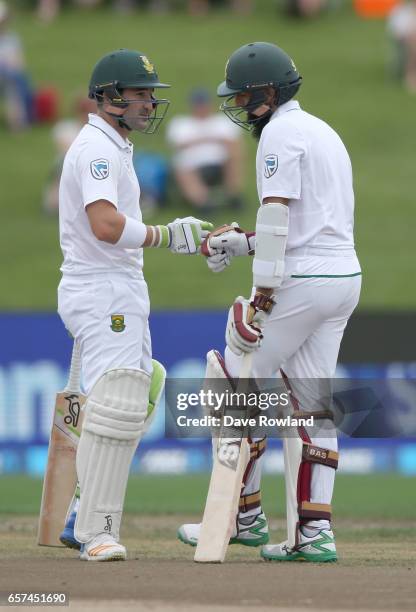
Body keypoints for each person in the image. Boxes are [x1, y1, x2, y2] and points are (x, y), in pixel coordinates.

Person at [178, 42, 362, 562]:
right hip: (343, 277)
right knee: (313, 406)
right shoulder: (323, 130)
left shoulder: (279, 133)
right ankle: (315, 533)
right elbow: (310, 226)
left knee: (233, 379)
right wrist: (243, 242)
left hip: (302, 280)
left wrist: (262, 290)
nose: (238, 106)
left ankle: (245, 515)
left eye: (244, 96)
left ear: (268, 93)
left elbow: (281, 217)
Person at [56, 48, 212, 562]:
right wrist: (169, 236)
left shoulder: (114, 145)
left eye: (151, 94)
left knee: (146, 387)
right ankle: (96, 532)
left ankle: (82, 507)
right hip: (100, 286)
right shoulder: (97, 150)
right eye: (139, 93)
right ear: (108, 97)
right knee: (120, 396)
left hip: (119, 285)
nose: (149, 102)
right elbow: (104, 225)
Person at [166, 87, 244, 212]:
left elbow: (233, 143)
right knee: (181, 164)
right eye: (198, 104)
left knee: (234, 156)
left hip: (219, 161)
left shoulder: (223, 121)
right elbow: (178, 145)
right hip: (192, 164)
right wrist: (214, 138)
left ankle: (233, 196)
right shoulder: (181, 123)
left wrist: (197, 140)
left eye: (204, 104)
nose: (201, 107)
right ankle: (203, 202)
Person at [43, 96, 97, 215]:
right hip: (65, 169)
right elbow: (65, 150)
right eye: (85, 111)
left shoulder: (98, 131)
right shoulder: (65, 128)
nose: (87, 115)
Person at [0, 1, 33, 130]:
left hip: (9, 77)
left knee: (14, 80)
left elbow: (19, 63)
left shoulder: (12, 39)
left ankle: (17, 122)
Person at [387, 0, 416, 91]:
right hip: (406, 39)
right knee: (413, 40)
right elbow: (397, 31)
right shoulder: (401, 11)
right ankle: (411, 74)